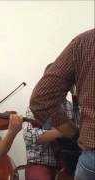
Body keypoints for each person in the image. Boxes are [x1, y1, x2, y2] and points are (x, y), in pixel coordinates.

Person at [30, 28, 95, 180]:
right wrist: (70, 132)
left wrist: (74, 132)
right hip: (43, 159)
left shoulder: (85, 41)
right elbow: (33, 137)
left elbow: (41, 99)